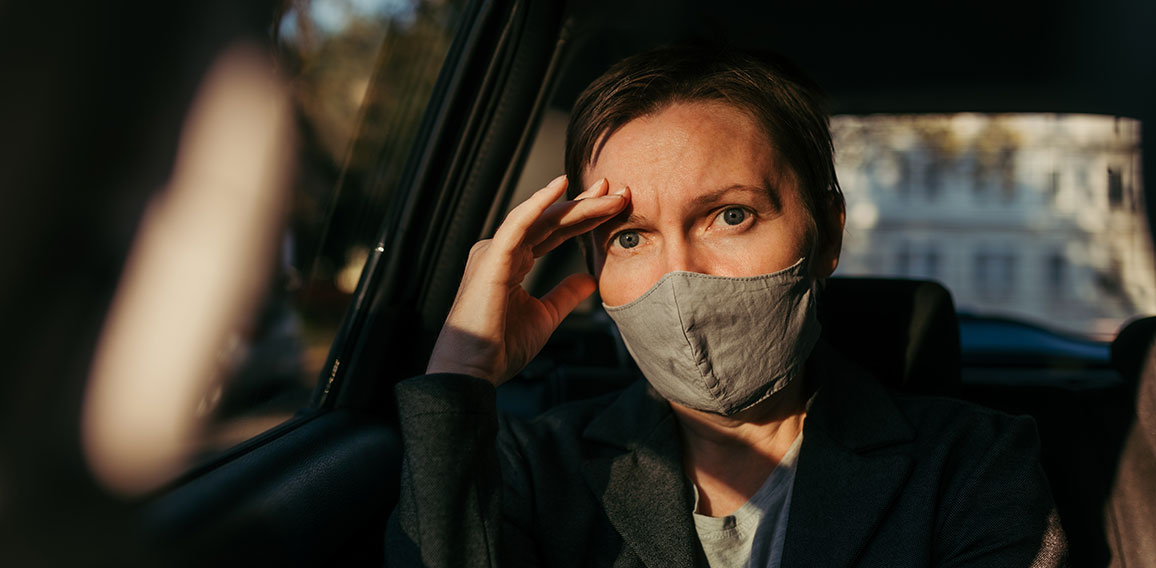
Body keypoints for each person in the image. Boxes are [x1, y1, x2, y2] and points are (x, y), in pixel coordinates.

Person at [386, 44, 1067, 567]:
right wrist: (464, 370)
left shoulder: (974, 462)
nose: (680, 276)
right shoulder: (529, 470)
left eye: (731, 215)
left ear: (828, 232)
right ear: (593, 265)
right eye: (629, 235)